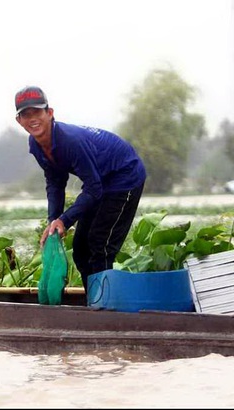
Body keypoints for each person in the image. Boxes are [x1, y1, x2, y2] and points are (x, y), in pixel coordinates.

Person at [14, 85, 146, 296]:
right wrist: (53, 221)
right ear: (19, 121)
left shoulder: (70, 141)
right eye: (26, 114)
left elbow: (93, 188)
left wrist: (65, 220)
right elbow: (55, 182)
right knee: (81, 247)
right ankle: (93, 303)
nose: (32, 119)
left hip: (124, 175)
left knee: (99, 244)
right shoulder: (36, 145)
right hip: (99, 180)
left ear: (49, 113)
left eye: (37, 112)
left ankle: (105, 308)